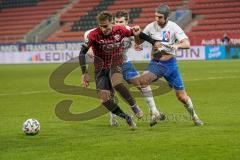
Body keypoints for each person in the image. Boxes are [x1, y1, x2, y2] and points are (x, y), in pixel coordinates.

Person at [134, 4, 203, 126]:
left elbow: (187, 44)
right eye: (156, 16)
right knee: (143, 81)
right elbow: (139, 42)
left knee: (182, 97)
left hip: (171, 65)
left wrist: (177, 45)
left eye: (160, 17)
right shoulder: (150, 27)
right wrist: (136, 35)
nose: (157, 19)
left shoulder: (174, 27)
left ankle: (194, 116)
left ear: (166, 17)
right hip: (156, 63)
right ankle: (155, 112)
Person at [79, 11, 149, 129]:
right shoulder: (93, 35)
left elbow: (138, 33)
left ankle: (134, 107)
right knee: (104, 100)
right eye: (101, 26)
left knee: (116, 83)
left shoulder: (120, 30)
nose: (103, 29)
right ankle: (127, 117)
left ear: (112, 23)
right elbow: (82, 53)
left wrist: (154, 42)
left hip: (115, 62)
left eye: (105, 26)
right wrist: (83, 73)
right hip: (100, 69)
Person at [111, 10, 165, 127]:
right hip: (111, 66)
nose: (118, 24)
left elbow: (141, 37)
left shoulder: (129, 31)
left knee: (141, 83)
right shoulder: (110, 32)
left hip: (125, 64)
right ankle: (113, 117)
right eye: (116, 21)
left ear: (127, 21)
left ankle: (154, 111)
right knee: (113, 90)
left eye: (121, 21)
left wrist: (153, 42)